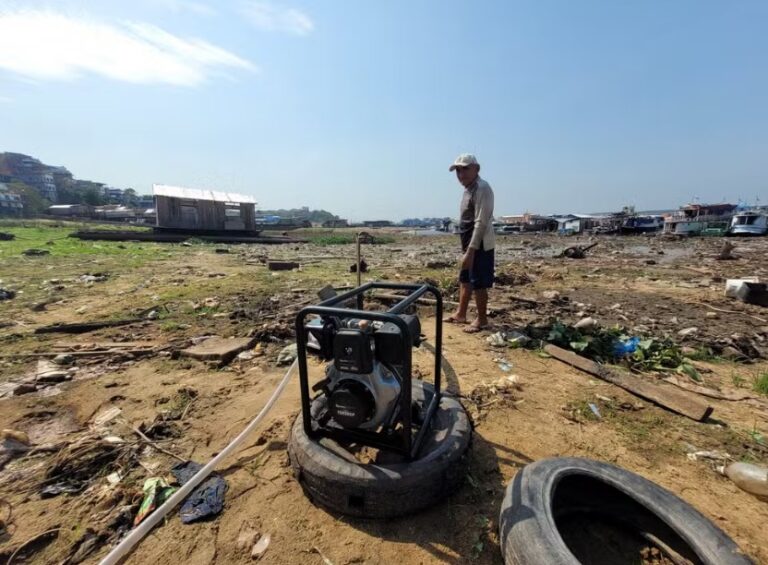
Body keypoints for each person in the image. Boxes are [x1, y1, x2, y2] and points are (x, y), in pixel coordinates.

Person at [445, 153, 495, 333]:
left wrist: (471, 251)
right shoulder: (468, 189)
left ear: (477, 169)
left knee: (479, 281)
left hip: (480, 243)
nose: (461, 173)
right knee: (465, 279)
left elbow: (481, 222)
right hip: (467, 241)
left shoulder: (482, 188)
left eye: (465, 168)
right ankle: (461, 313)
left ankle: (482, 320)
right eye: (458, 170)